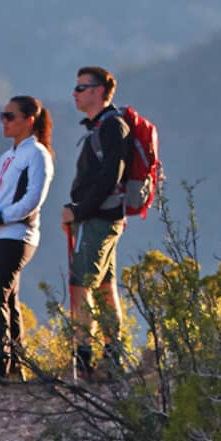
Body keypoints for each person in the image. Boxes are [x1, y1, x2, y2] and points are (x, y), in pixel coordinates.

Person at [0, 95, 54, 384]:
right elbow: (0, 195)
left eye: (10, 116)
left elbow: (33, 200)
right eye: (2, 116)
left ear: (29, 120)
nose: (3, 122)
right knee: (7, 298)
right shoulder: (7, 156)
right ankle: (12, 369)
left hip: (17, 234)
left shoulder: (37, 154)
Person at [63, 66, 128, 380]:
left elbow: (110, 177)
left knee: (80, 286)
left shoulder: (112, 126)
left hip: (98, 219)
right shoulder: (103, 126)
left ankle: (85, 361)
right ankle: (113, 357)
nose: (74, 93)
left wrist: (80, 212)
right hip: (103, 217)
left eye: (81, 88)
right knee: (104, 287)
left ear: (99, 91)